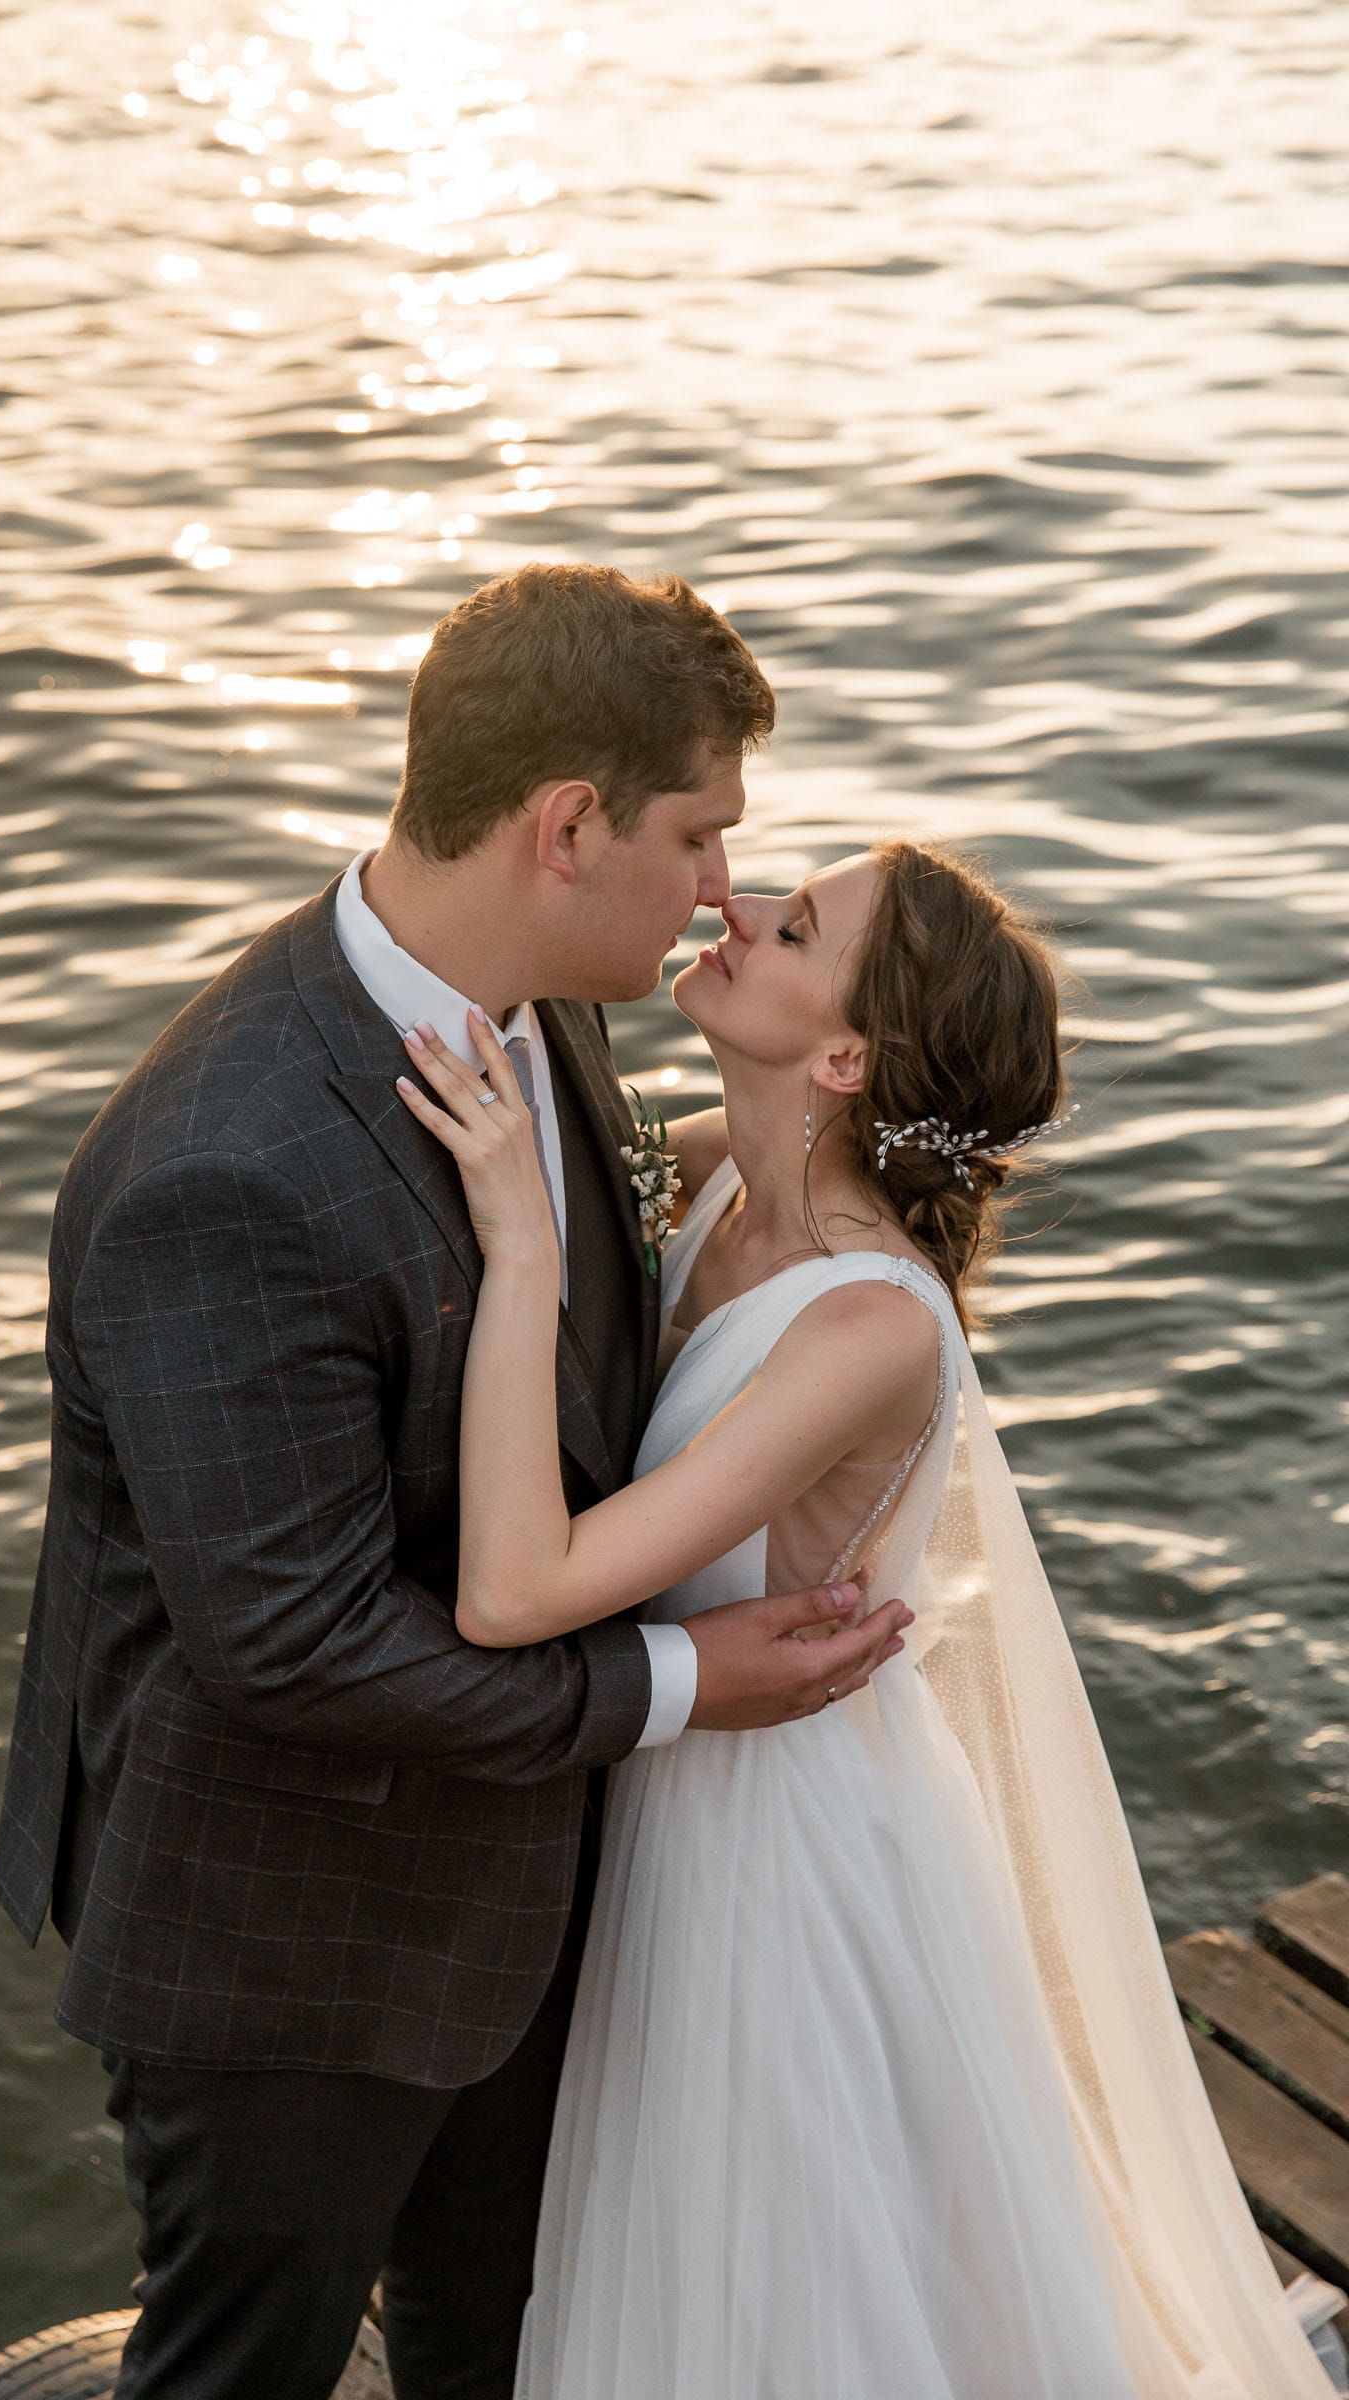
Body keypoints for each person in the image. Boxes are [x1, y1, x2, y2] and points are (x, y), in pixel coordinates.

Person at [0, 563, 913, 2400]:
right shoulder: (225, 1170)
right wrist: (681, 1683)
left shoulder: (548, 1006)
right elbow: (292, 1646)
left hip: (524, 1891)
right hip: (289, 1949)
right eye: (703, 836)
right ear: (570, 826)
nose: (725, 888)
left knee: (504, 2346)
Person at [398, 838, 1337, 2400]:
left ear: (842, 1053)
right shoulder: (709, 1176)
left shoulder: (863, 1327)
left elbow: (517, 1589)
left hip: (773, 1849)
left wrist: (520, 1242)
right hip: (673, 1783)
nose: (737, 902)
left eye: (796, 921)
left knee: (793, 2293)